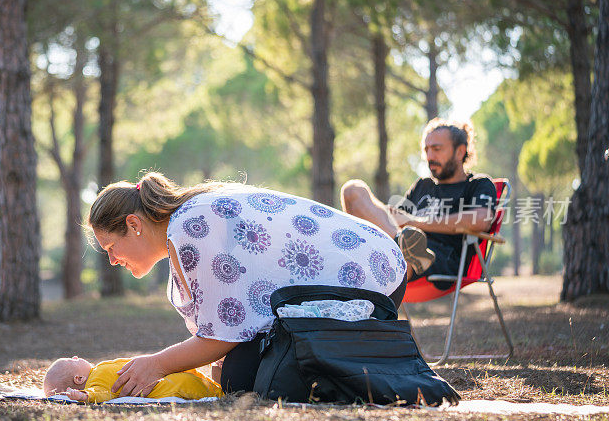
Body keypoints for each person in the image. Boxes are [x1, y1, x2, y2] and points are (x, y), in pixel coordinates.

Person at [87, 172, 408, 396]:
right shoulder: (184, 226)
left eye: (111, 247)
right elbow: (232, 319)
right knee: (235, 374)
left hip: (372, 277)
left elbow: (219, 336)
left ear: (133, 224)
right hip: (365, 267)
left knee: (238, 378)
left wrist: (155, 365)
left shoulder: (190, 227)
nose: (113, 260)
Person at [340, 118, 497, 287]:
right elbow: (395, 221)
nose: (429, 156)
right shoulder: (423, 185)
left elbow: (481, 219)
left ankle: (406, 249)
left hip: (441, 259)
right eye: (426, 150)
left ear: (459, 152)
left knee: (391, 259)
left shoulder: (477, 184)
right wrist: (383, 214)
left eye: (437, 149)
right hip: (398, 248)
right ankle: (402, 244)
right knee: (352, 190)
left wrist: (416, 223)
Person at [42, 356, 223, 402]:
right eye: (71, 360)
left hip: (158, 374)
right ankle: (222, 394)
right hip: (159, 387)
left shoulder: (97, 370)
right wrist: (84, 396)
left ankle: (218, 386)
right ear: (79, 378)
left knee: (189, 372)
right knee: (186, 384)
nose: (75, 357)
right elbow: (101, 394)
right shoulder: (95, 383)